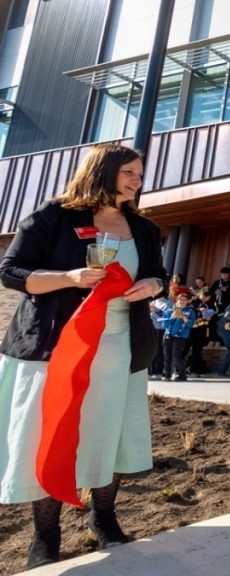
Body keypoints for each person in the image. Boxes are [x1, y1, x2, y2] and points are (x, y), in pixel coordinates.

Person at [0, 143, 166, 569]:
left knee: (110, 432)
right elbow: (10, 271)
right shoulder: (54, 216)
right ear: (102, 171)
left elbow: (159, 276)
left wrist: (152, 286)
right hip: (57, 346)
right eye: (129, 172)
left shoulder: (144, 228)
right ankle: (46, 532)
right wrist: (69, 277)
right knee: (51, 435)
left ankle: (103, 516)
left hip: (120, 347)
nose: (137, 181)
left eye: (140, 174)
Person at [160, 292, 198, 381]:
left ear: (187, 302)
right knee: (167, 356)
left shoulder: (190, 312)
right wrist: (172, 317)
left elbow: (191, 325)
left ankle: (182, 375)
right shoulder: (169, 311)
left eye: (184, 300)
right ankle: (167, 375)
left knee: (176, 356)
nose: (181, 301)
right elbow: (164, 325)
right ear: (176, 301)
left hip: (180, 336)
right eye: (180, 300)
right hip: (168, 335)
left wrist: (183, 317)